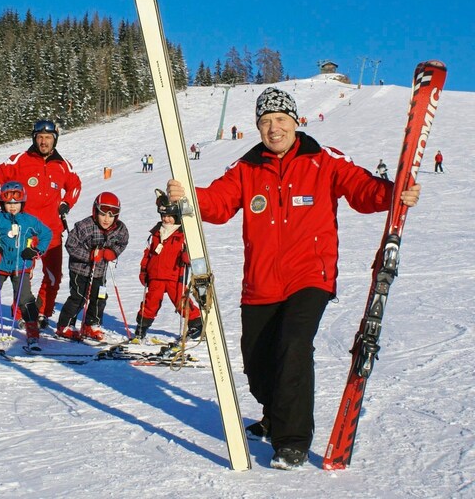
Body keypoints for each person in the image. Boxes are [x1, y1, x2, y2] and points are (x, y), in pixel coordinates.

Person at [166, 86, 421, 470]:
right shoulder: (246, 168)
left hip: (309, 276)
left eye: (280, 120)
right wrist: (188, 196)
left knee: (294, 346)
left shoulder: (323, 160)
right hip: (261, 283)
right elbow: (218, 205)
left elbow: (362, 190)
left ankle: (292, 441)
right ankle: (275, 414)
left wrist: (394, 193)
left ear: (295, 121)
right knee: (256, 361)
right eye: (265, 122)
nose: (273, 129)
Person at [0, 120, 81, 329]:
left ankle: (42, 312)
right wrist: (7, 205)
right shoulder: (20, 160)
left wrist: (66, 203)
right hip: (24, 230)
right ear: (34, 138)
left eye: (48, 137)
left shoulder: (63, 164)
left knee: (53, 276)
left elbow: (75, 185)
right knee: (23, 274)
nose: (43, 141)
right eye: (40, 137)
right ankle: (21, 313)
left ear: (54, 139)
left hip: (52, 231)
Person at [0, 181, 52, 348]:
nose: (13, 207)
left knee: (25, 299)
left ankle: (32, 330)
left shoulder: (29, 221)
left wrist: (37, 251)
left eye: (16, 203)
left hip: (21, 266)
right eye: (9, 203)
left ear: (23, 203)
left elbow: (46, 233)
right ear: (2, 203)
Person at [56, 192, 129, 342]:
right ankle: (65, 325)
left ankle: (91, 324)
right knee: (79, 298)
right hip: (80, 269)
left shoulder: (119, 229)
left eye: (112, 215)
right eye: (103, 214)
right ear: (95, 211)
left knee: (100, 297)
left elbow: (123, 241)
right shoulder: (85, 226)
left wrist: (113, 252)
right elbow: (71, 244)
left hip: (100, 271)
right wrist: (89, 255)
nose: (107, 219)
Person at [135, 193, 202, 342]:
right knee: (151, 301)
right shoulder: (156, 233)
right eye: (163, 215)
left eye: (170, 216)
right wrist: (144, 270)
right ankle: (141, 327)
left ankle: (196, 323)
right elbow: (148, 253)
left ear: (177, 215)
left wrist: (188, 257)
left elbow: (193, 253)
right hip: (155, 276)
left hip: (174, 276)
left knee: (181, 301)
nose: (166, 219)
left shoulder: (183, 234)